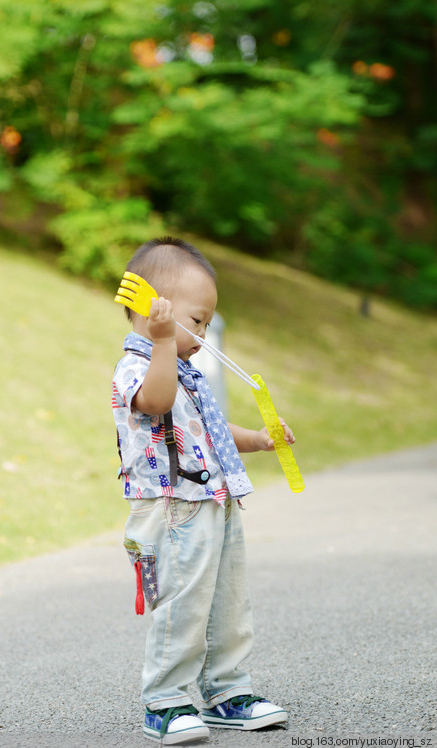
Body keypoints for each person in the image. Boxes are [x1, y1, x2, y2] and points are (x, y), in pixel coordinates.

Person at [112, 237, 295, 745]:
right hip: (172, 511)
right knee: (183, 604)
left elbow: (205, 426)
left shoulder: (185, 368)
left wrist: (257, 439)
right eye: (197, 320)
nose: (204, 332)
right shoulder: (140, 367)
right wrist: (166, 341)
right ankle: (165, 701)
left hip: (214, 503)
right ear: (155, 312)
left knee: (228, 603)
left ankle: (226, 691)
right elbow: (156, 400)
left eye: (208, 322)